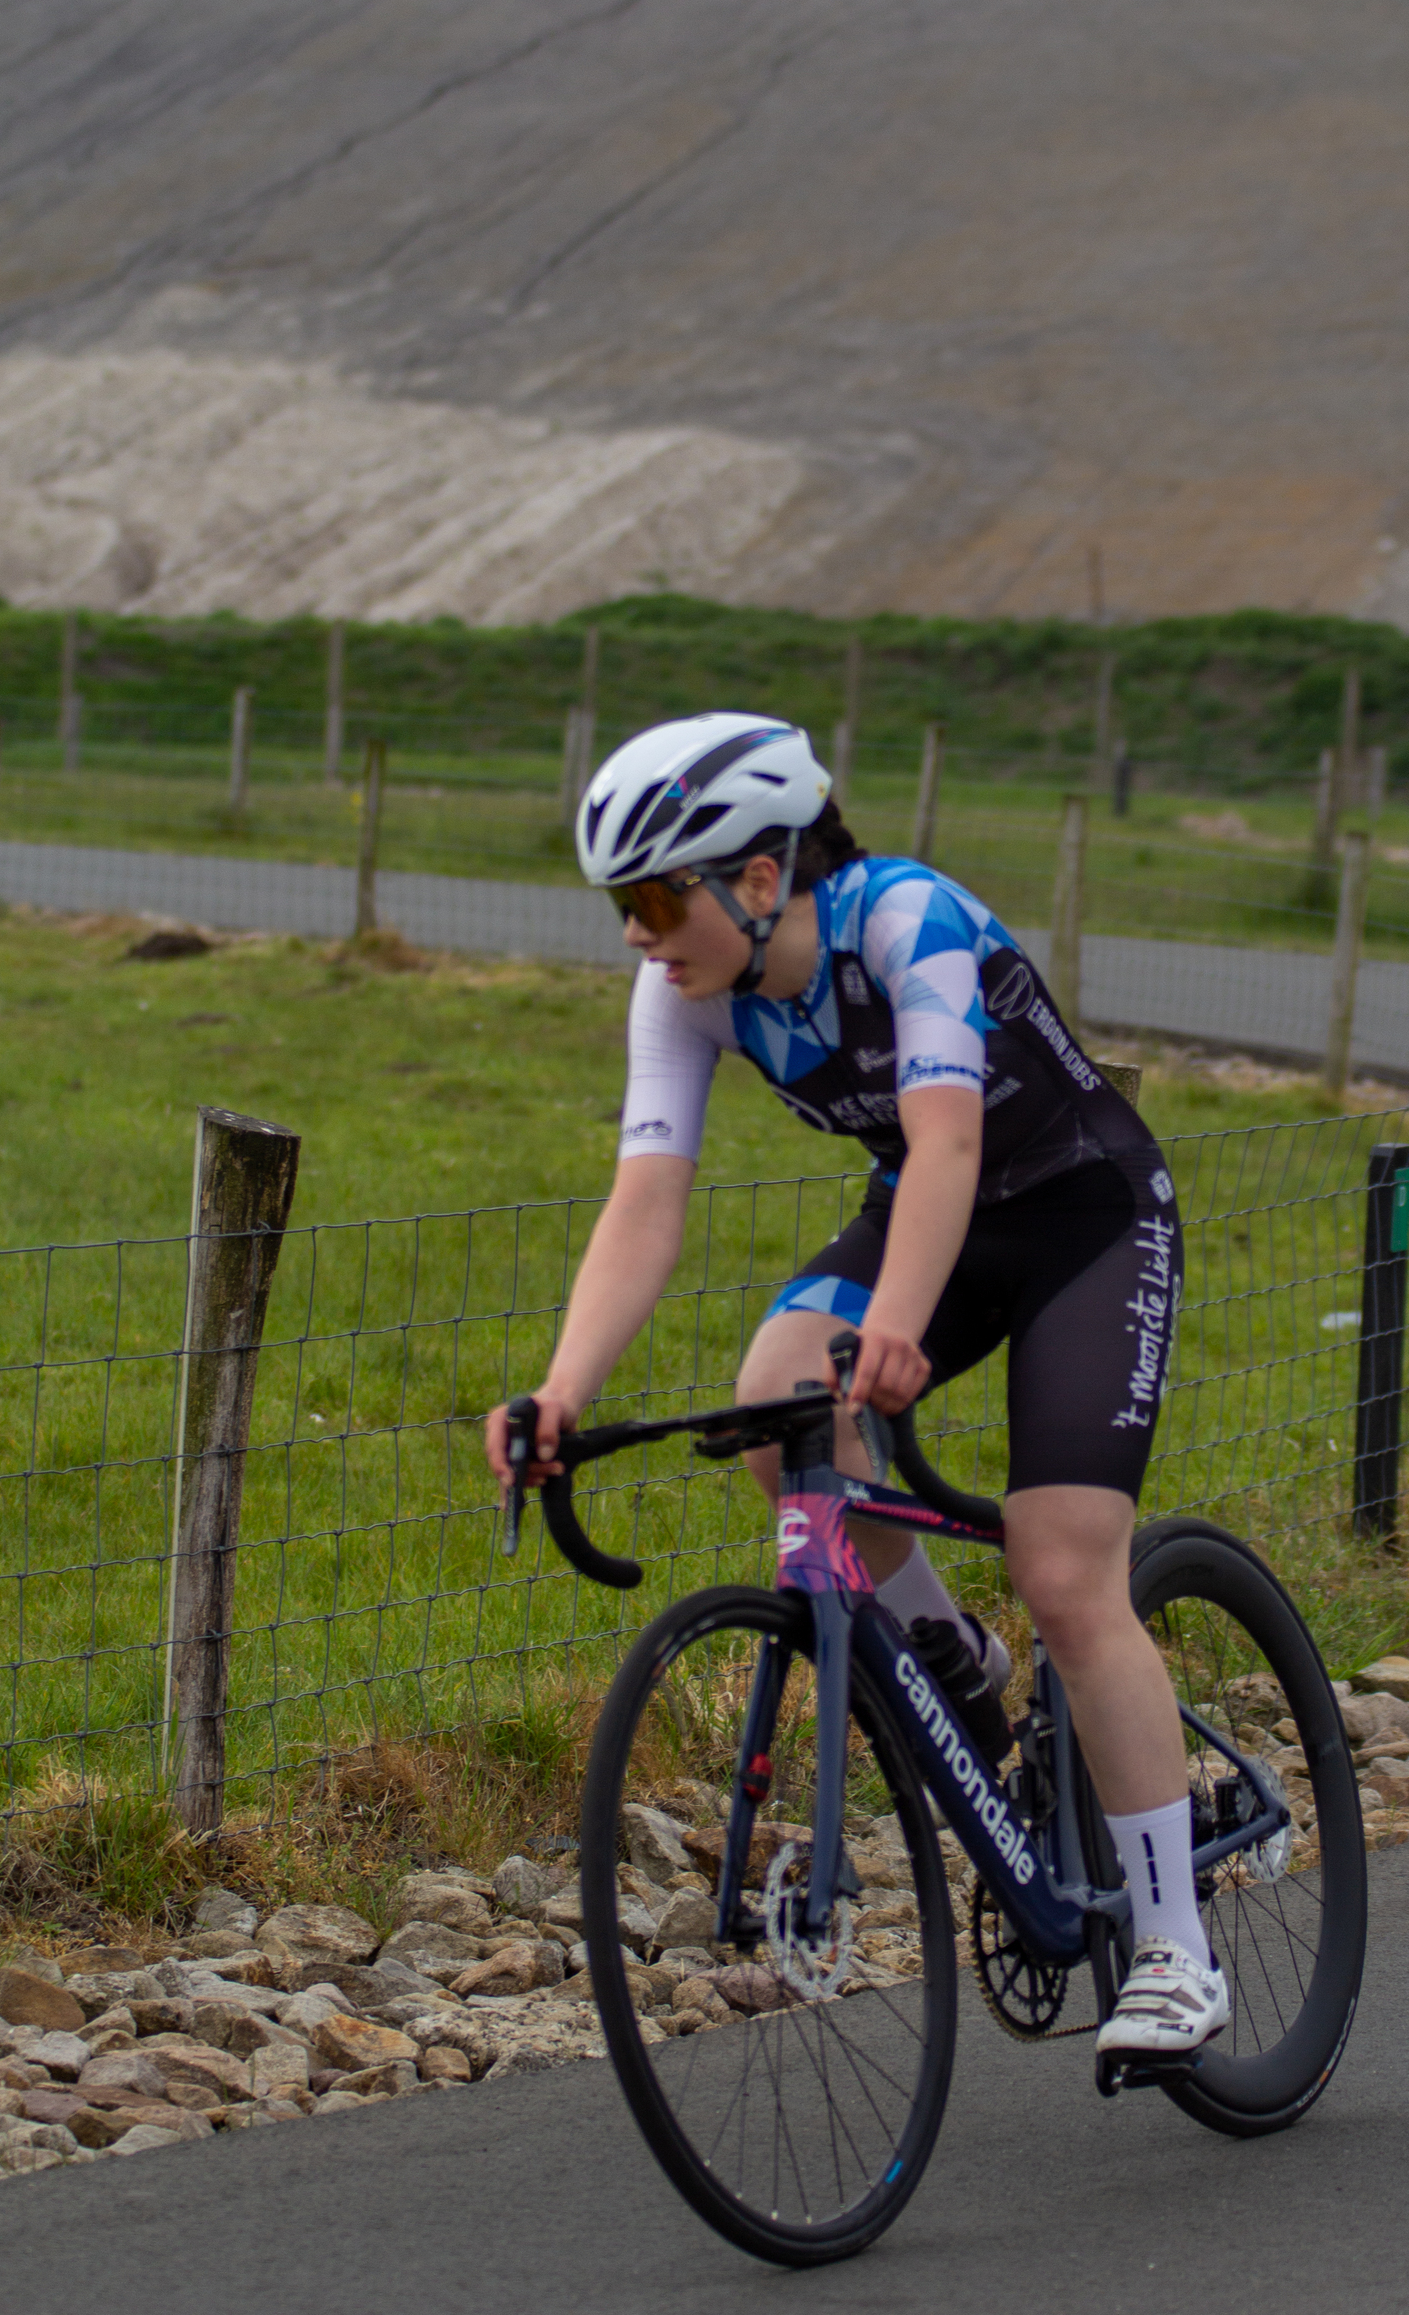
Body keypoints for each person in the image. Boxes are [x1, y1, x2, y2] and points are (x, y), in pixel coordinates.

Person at [484, 711, 1227, 2057]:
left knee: (1067, 1571)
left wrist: (893, 1328)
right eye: (623, 907)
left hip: (1083, 1223)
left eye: (656, 900)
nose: (639, 937)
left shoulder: (907, 921)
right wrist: (560, 1393)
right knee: (775, 1405)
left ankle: (1175, 1946)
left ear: (758, 877)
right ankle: (946, 1640)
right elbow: (645, 1205)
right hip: (929, 1224)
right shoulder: (682, 994)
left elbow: (948, 1142)